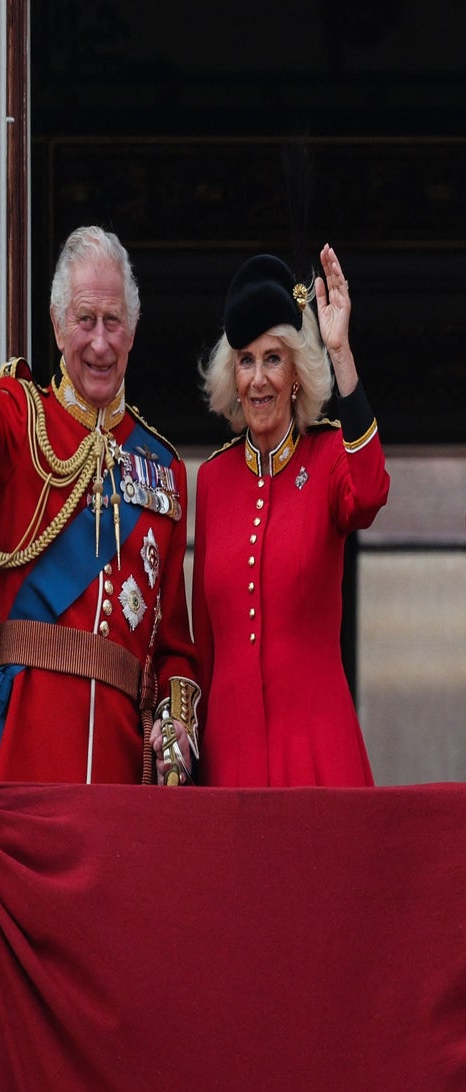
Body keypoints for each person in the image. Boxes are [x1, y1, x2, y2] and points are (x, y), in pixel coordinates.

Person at [0, 166, 199, 784]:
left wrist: (177, 726)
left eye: (113, 321)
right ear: (57, 323)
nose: (99, 342)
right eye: (85, 320)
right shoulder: (21, 419)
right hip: (25, 757)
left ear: (134, 329)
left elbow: (174, 646)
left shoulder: (164, 469)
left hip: (122, 773)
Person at [193, 247, 389, 785]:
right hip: (229, 762)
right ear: (231, 376)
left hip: (317, 757)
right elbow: (204, 644)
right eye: (246, 360)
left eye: (273, 358)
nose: (259, 379)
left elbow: (370, 493)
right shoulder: (212, 481)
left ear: (297, 372)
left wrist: (341, 351)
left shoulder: (327, 459)